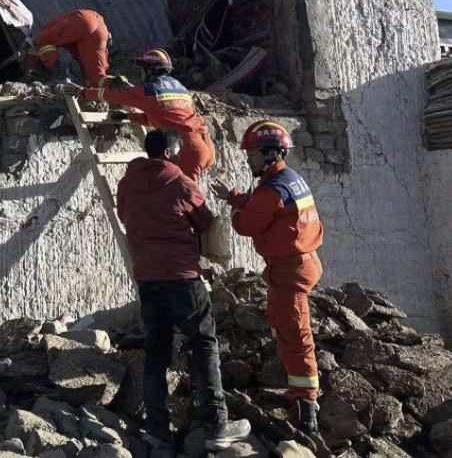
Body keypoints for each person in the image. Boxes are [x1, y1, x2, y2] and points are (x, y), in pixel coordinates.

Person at [117, 128, 251, 453]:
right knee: (204, 345)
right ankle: (217, 425)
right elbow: (206, 224)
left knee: (156, 351)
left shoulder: (127, 183)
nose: (180, 157)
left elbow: (124, 215)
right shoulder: (181, 183)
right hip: (183, 279)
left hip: (148, 280)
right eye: (177, 152)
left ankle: (157, 431)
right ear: (166, 153)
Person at [212, 121, 324, 435]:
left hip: (290, 269)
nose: (249, 160)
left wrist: (233, 213)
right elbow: (264, 206)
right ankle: (298, 396)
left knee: (296, 335)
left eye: (253, 154)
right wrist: (234, 197)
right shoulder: (286, 179)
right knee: (284, 327)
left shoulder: (273, 187)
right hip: (294, 264)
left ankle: (306, 408)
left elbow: (248, 224)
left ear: (271, 153)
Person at [81, 48, 216, 181]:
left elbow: (113, 95)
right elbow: (165, 118)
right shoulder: (179, 87)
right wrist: (131, 116)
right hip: (206, 145)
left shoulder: (149, 90)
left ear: (150, 70)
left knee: (183, 198)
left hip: (189, 149)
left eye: (142, 70)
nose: (141, 75)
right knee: (179, 195)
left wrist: (83, 92)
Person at [24, 9, 112, 86]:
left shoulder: (49, 30)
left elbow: (38, 43)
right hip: (101, 28)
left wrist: (28, 71)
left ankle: (59, 75)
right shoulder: (67, 36)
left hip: (84, 19)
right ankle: (120, 87)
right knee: (96, 76)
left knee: (42, 40)